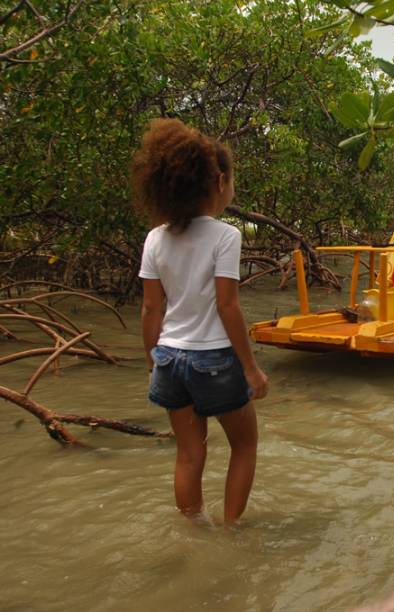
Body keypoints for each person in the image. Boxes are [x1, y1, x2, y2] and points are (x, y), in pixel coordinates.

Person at [133, 118, 269, 524]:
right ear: (218, 179)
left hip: (170, 358)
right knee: (244, 446)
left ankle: (193, 530)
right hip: (214, 360)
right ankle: (231, 533)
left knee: (190, 453)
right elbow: (228, 306)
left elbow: (150, 309)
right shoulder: (225, 236)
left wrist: (152, 359)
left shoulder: (156, 238)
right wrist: (251, 368)